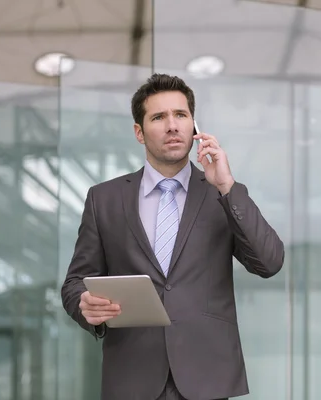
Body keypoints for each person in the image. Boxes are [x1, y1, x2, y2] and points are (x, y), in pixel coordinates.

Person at [61, 73, 285, 400]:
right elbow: (75, 282)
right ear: (139, 132)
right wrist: (85, 305)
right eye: (159, 117)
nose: (172, 125)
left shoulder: (221, 194)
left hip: (207, 378)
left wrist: (226, 186)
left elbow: (270, 261)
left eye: (181, 115)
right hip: (131, 378)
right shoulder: (103, 199)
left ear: (194, 125)